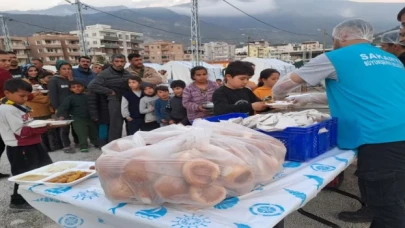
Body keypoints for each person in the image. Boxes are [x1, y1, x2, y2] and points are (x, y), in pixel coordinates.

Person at [272, 19, 405, 227]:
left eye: (334, 39)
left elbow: (282, 86)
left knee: (388, 208)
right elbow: (357, 93)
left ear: (342, 36)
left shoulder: (335, 57)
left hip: (381, 139)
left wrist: (276, 99)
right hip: (397, 134)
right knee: (395, 199)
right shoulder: (389, 58)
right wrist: (308, 99)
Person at [0, 78, 52, 210]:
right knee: (25, 174)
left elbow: (28, 123)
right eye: (21, 95)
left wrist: (43, 125)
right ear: (7, 93)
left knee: (44, 168)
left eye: (27, 95)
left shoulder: (19, 106)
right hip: (20, 147)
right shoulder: (7, 109)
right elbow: (21, 131)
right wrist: (42, 127)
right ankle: (18, 202)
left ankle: (39, 194)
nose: (25, 98)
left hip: (34, 143)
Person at [88, 54, 132, 142]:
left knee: (130, 123)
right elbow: (92, 86)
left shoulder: (127, 73)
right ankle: (114, 145)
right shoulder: (105, 74)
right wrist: (109, 91)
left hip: (127, 100)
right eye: (117, 61)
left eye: (122, 61)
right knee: (116, 125)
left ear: (125, 62)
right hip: (114, 100)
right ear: (112, 62)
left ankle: (129, 144)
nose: (119, 64)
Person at [22, 65, 61, 152]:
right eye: (30, 71)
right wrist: (46, 97)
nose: (33, 72)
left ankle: (53, 147)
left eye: (35, 70)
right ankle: (43, 149)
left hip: (46, 109)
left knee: (49, 128)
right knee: (38, 130)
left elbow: (49, 93)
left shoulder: (41, 81)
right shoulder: (23, 82)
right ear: (26, 72)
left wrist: (42, 95)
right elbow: (28, 96)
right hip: (34, 110)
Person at [57, 81, 98, 152]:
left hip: (90, 117)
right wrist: (61, 115)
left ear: (83, 87)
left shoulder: (88, 96)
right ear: (70, 89)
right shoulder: (69, 98)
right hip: (77, 119)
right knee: (81, 133)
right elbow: (63, 107)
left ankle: (96, 143)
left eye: (79, 86)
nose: (77, 88)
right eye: (74, 87)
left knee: (93, 131)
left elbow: (93, 105)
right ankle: (83, 146)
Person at [48, 60, 75, 154]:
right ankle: (66, 145)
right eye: (64, 69)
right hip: (62, 108)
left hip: (73, 106)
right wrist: (57, 108)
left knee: (74, 126)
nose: (67, 71)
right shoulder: (54, 80)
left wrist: (72, 81)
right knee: (64, 127)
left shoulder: (70, 79)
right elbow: (52, 96)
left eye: (69, 69)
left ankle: (77, 142)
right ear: (59, 69)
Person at [0, 50, 12, 178]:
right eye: (3, 60)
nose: (7, 63)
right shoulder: (4, 73)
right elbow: (13, 93)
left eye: (8, 60)